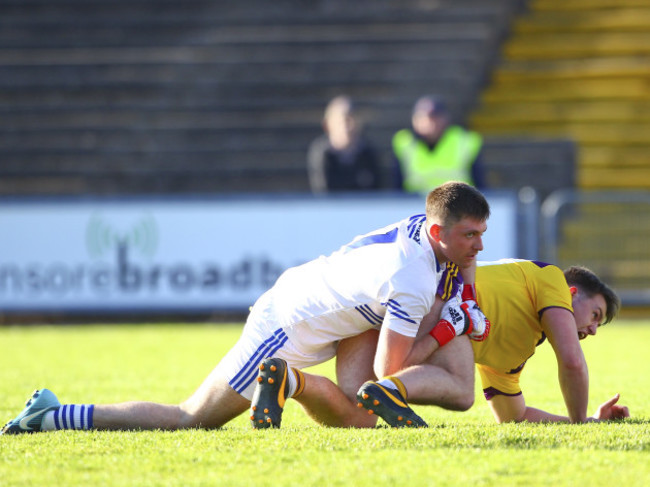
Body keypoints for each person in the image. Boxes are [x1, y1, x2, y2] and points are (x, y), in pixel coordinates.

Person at [1, 181, 490, 434]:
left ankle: (290, 382)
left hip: (339, 305)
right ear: (437, 232)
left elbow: (456, 261)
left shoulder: (422, 227)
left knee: (361, 416)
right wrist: (449, 329)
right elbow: (392, 369)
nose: (478, 247)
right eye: (470, 235)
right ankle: (52, 415)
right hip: (289, 320)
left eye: (481, 234)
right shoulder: (412, 277)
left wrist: (465, 296)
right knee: (191, 417)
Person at [356, 259, 630, 426]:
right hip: (427, 297)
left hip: (381, 309)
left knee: (353, 420)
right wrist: (582, 422)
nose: (593, 330)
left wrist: (587, 420)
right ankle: (392, 388)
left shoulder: (518, 353)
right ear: (570, 293)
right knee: (463, 392)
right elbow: (571, 361)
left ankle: (330, 385)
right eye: (595, 315)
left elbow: (515, 417)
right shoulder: (552, 278)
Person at [391, 95, 486, 193]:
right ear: (414, 119)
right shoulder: (404, 142)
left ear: (445, 118)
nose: (429, 122)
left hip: (457, 203)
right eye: (423, 117)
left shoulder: (465, 140)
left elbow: (479, 182)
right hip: (415, 204)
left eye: (435, 117)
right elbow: (397, 185)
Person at [307, 95, 382, 193]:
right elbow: (323, 191)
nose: (349, 126)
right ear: (328, 124)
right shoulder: (322, 154)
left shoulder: (368, 153)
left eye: (353, 119)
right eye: (344, 120)